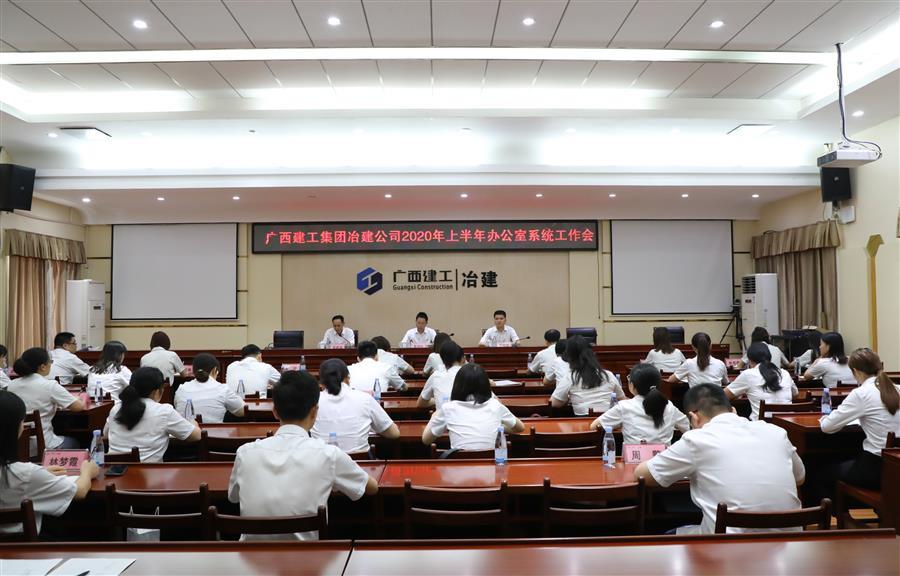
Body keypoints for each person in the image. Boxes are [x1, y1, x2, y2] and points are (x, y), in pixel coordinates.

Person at [634, 384, 805, 535]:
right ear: (733, 410)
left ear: (694, 417)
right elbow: (800, 477)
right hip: (791, 544)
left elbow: (644, 475)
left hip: (726, 548)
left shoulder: (697, 439)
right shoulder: (776, 432)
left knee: (667, 534)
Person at [228, 370, 378, 540]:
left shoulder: (245, 452)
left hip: (250, 555)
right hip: (308, 555)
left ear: (275, 411)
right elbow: (371, 488)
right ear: (315, 411)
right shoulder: (329, 454)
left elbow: (233, 498)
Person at [0, 390, 99, 536]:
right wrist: (87, 471)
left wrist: (41, 473)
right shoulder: (24, 474)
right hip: (26, 546)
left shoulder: (26, 473)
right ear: (15, 428)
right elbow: (79, 492)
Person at [821, 348, 900, 489]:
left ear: (855, 371)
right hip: (895, 465)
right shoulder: (897, 388)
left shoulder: (861, 393)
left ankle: (830, 503)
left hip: (877, 469)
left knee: (823, 472)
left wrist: (823, 418)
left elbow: (827, 427)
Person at [105, 367, 200, 462]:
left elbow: (105, 434)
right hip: (148, 470)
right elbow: (196, 436)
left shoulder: (116, 409)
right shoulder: (164, 411)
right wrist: (193, 423)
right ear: (157, 392)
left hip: (114, 469)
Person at [422, 363, 525, 450]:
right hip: (490, 467)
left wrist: (433, 417)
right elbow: (520, 428)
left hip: (458, 466)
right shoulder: (495, 405)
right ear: (486, 385)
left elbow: (426, 440)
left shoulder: (448, 408)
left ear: (458, 385)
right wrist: (498, 426)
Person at [311, 359, 399, 454]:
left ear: (321, 384)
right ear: (348, 378)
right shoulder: (364, 398)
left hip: (322, 461)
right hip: (360, 462)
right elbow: (394, 433)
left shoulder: (312, 401)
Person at [8, 348, 84, 450]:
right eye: (50, 362)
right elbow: (78, 407)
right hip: (44, 445)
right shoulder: (50, 385)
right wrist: (79, 398)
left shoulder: (11, 385)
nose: (51, 365)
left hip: (16, 446)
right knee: (75, 442)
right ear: (43, 366)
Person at [595, 363, 689, 445]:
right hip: (663, 459)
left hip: (633, 459)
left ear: (632, 385)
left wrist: (618, 423)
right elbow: (689, 427)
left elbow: (595, 426)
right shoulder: (668, 406)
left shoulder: (624, 407)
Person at [551, 335, 624, 416]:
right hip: (608, 419)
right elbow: (621, 398)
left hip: (583, 421)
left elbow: (554, 403)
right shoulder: (608, 374)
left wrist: (568, 398)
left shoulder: (571, 377)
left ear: (570, 358)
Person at [725, 342, 797, 421]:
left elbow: (723, 395)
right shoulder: (785, 373)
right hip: (787, 424)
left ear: (750, 360)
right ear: (770, 357)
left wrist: (739, 393)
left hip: (761, 426)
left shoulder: (748, 374)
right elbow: (795, 394)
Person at [174, 353, 244, 423]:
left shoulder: (181, 389)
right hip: (214, 430)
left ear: (194, 370)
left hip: (185, 430)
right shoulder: (223, 389)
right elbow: (242, 411)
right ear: (214, 370)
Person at [417, 341, 465, 408]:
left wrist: (437, 400)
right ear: (463, 359)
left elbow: (420, 403)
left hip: (442, 414)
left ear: (442, 359)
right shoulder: (470, 374)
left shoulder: (436, 375)